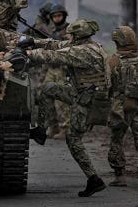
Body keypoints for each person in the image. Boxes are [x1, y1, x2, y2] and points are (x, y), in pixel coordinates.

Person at [22, 19, 109, 197]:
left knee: (73, 139)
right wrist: (33, 41)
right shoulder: (87, 44)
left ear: (77, 36)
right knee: (48, 89)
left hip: (88, 101)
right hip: (80, 93)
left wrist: (28, 52)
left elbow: (54, 56)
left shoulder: (83, 52)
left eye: (71, 34)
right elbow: (55, 44)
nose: (68, 37)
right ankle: (41, 130)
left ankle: (94, 179)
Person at [106, 26, 138, 187]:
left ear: (117, 42)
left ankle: (120, 175)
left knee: (116, 139)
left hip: (121, 106)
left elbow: (107, 84)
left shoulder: (114, 60)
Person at [36, 4, 71, 139]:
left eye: (59, 16)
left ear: (64, 16)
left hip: (62, 68)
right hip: (50, 67)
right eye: (54, 16)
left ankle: (65, 128)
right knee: (46, 98)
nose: (57, 19)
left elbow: (72, 48)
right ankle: (53, 126)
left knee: (61, 101)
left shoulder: (69, 31)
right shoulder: (50, 30)